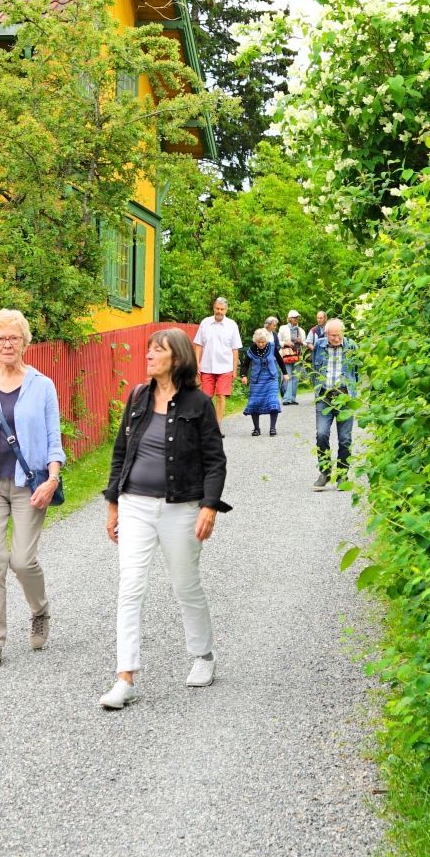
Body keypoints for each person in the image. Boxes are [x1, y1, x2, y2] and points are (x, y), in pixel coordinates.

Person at [100, 327, 231, 709]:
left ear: (177, 358)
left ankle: (204, 656)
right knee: (130, 586)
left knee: (185, 585)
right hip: (134, 505)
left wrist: (209, 506)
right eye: (148, 349)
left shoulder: (199, 403)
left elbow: (215, 461)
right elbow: (121, 451)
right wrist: (113, 503)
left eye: (158, 350)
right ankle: (125, 677)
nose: (149, 355)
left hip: (181, 508)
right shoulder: (138, 397)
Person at [0, 309, 63, 673]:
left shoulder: (42, 385)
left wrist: (52, 479)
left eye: (13, 337)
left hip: (29, 485)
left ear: (25, 343)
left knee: (21, 560)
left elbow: (54, 439)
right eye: (0, 338)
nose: (7, 343)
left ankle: (39, 611)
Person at [311, 317, 361, 490]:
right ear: (326, 334)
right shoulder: (319, 345)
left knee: (345, 438)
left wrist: (352, 393)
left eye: (339, 335)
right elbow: (313, 369)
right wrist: (317, 391)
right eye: (333, 336)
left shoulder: (352, 346)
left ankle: (342, 475)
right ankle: (325, 473)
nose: (337, 339)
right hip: (324, 396)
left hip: (345, 397)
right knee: (322, 434)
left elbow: (357, 371)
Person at [193, 297, 244, 426]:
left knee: (221, 396)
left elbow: (235, 349)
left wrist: (234, 369)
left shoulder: (232, 325)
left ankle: (218, 424)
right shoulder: (205, 323)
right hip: (207, 366)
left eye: (222, 309)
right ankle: (206, 423)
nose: (219, 311)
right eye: (217, 308)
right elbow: (198, 344)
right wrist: (197, 362)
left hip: (225, 367)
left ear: (226, 310)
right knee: (206, 397)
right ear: (213, 308)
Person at [240, 327, 283, 437]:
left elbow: (279, 360)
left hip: (271, 378)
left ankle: (272, 428)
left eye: (263, 342)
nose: (261, 344)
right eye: (259, 342)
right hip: (257, 380)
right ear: (255, 341)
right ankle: (256, 429)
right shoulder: (251, 350)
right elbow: (245, 365)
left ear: (267, 340)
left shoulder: (272, 347)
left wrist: (285, 373)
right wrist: (243, 375)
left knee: (273, 401)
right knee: (255, 403)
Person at [276, 311, 307, 405]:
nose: (296, 319)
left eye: (297, 317)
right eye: (294, 317)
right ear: (289, 318)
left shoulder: (301, 330)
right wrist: (286, 343)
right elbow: (278, 342)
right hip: (286, 356)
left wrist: (301, 342)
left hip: (298, 356)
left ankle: (292, 398)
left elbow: (306, 344)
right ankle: (286, 398)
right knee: (286, 376)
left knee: (295, 377)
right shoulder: (283, 328)